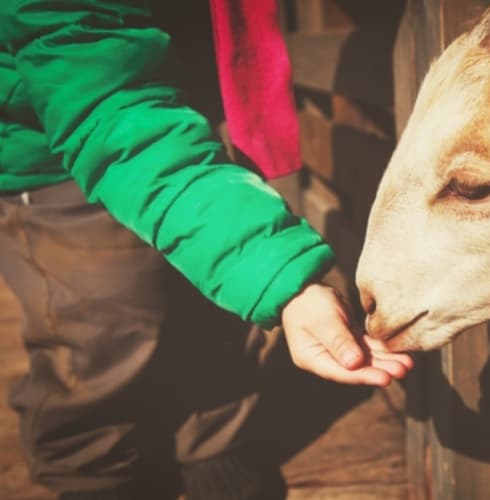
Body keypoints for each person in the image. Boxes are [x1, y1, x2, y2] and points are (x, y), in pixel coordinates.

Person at [0, 1, 412, 499]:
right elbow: (111, 113)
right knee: (99, 359)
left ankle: (224, 467)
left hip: (184, 119)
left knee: (216, 332)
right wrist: (282, 277)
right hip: (59, 159)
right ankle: (101, 483)